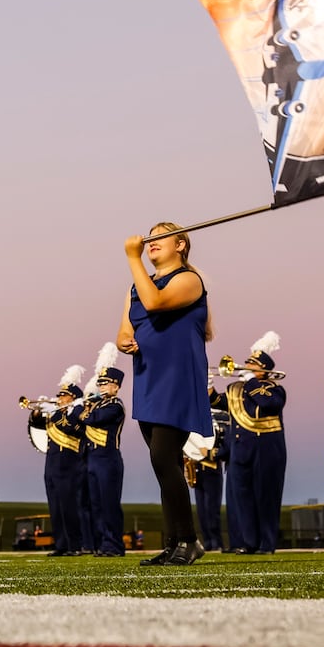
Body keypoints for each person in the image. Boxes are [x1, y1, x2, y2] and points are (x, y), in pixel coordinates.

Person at [118, 224, 211, 567]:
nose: (150, 241)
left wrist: (132, 257)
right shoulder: (138, 284)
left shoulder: (188, 279)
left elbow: (156, 302)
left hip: (176, 378)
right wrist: (124, 341)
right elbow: (125, 328)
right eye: (149, 237)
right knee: (165, 465)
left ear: (181, 244)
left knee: (163, 457)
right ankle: (175, 542)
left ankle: (189, 539)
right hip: (148, 378)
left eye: (160, 237)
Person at [212, 332, 287, 555]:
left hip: (267, 449)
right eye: (247, 364)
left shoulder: (275, 389)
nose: (244, 367)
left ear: (263, 369)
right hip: (241, 450)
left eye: (251, 365)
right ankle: (248, 541)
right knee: (242, 498)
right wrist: (207, 385)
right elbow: (217, 403)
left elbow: (269, 403)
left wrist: (252, 382)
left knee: (266, 496)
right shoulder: (236, 389)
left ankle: (267, 543)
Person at [32, 367, 88, 556]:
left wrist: (57, 412)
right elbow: (37, 424)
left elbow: (74, 429)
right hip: (52, 464)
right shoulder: (54, 413)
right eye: (59, 395)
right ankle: (61, 544)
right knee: (55, 505)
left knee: (69, 505)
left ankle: (75, 545)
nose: (59, 398)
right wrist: (37, 411)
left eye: (64, 396)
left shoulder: (77, 412)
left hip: (69, 463)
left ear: (73, 398)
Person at [83, 345, 127, 558]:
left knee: (109, 505)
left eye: (106, 383)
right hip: (92, 459)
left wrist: (85, 409)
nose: (101, 387)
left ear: (116, 386)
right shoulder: (97, 404)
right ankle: (103, 544)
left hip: (108, 459)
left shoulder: (115, 406)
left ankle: (115, 545)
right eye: (100, 383)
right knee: (97, 505)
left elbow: (94, 420)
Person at [191, 411, 228, 551]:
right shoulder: (194, 417)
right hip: (196, 467)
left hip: (211, 467)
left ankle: (216, 542)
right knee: (201, 510)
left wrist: (210, 453)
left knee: (212, 509)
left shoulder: (219, 416)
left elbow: (223, 442)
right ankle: (207, 541)